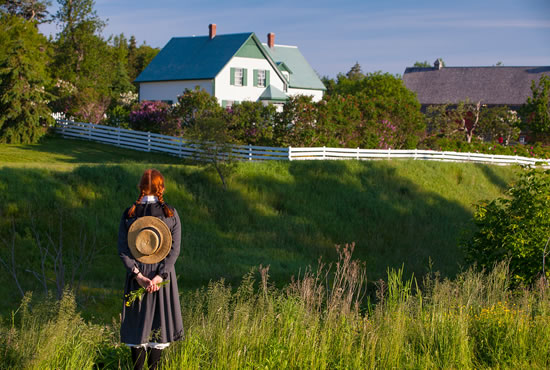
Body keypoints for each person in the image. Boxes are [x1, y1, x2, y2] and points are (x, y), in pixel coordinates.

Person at [118, 169, 184, 370]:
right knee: (158, 327)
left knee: (138, 328)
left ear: (140, 187)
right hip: (161, 279)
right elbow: (174, 251)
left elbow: (123, 250)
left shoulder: (129, 213)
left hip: (136, 276)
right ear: (161, 188)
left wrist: (138, 276)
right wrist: (158, 277)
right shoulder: (170, 214)